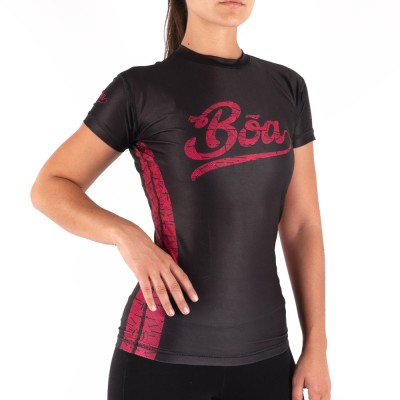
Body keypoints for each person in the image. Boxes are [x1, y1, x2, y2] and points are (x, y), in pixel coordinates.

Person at [30, 0, 331, 399]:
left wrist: (317, 345)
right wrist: (127, 236)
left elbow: (302, 225)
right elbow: (50, 186)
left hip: (267, 362)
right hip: (160, 362)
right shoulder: (140, 89)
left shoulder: (287, 87)